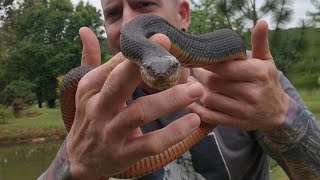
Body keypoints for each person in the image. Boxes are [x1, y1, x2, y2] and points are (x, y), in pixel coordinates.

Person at [39, 0, 320, 179]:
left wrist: (283, 117)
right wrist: (75, 166)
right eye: (113, 14)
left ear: (183, 14)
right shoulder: (98, 106)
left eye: (144, 5)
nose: (128, 23)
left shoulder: (253, 81)